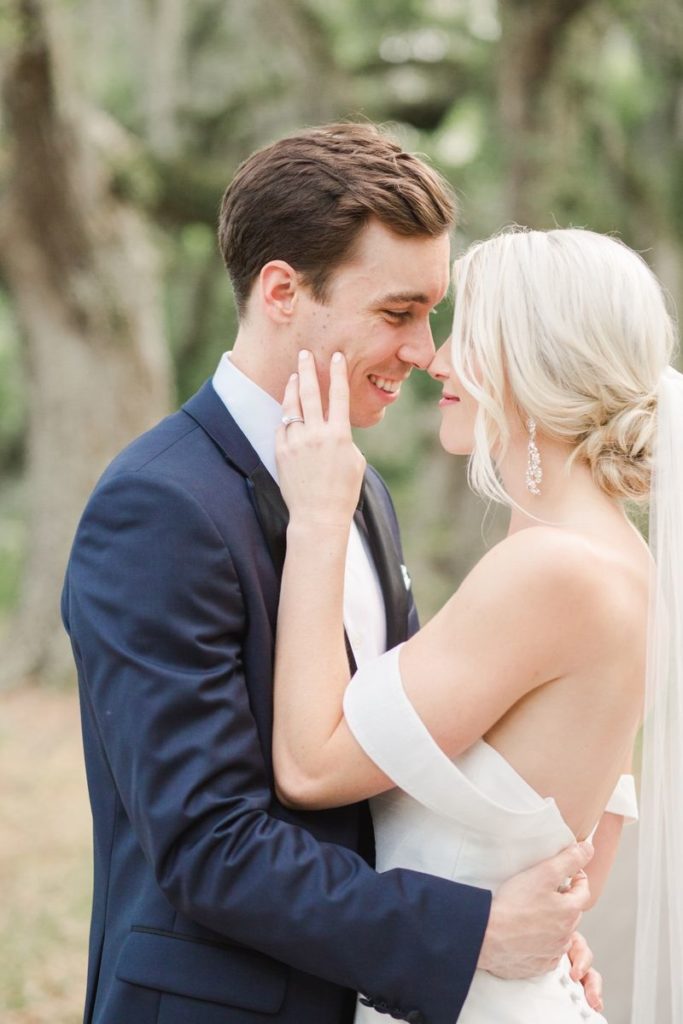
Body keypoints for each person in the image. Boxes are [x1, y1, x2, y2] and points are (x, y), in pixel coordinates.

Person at [62, 125, 599, 1024]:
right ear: (282, 292)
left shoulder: (360, 487)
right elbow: (208, 845)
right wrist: (470, 933)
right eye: (397, 313)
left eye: (430, 313)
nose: (425, 351)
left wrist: (523, 922)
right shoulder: (157, 508)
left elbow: (400, 755)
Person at [271, 226, 681, 1022]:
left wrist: (318, 520)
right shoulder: (615, 557)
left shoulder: (549, 570)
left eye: (467, 332)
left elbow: (311, 768)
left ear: (533, 360)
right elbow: (590, 851)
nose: (437, 359)